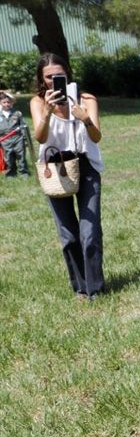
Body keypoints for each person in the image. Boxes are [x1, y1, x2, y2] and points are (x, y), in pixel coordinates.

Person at [29, 53, 104, 300]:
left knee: (89, 230)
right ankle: (81, 288)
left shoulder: (86, 99)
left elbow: (96, 137)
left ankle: (95, 288)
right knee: (68, 233)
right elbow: (40, 137)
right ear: (42, 79)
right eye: (48, 77)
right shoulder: (38, 103)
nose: (53, 80)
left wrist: (85, 118)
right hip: (54, 166)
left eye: (58, 75)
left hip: (85, 165)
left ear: (67, 74)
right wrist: (49, 112)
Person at [1, 91, 30, 177]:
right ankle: (11, 173)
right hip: (5, 139)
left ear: (11, 103)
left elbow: (23, 127)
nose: (6, 104)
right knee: (8, 158)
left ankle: (24, 173)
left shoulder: (17, 113)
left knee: (21, 156)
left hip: (18, 138)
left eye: (8, 102)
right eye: (4, 102)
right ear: (0, 103)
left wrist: (24, 139)